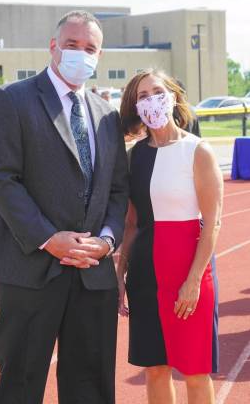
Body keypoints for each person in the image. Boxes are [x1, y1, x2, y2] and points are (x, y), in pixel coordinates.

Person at [0, 10, 129, 404]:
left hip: (93, 274)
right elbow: (1, 178)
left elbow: (117, 189)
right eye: (72, 45)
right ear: (53, 47)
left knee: (91, 387)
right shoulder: (12, 99)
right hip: (31, 270)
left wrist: (107, 241)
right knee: (20, 383)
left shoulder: (107, 115)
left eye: (90, 48)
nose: (82, 53)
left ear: (100, 55)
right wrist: (48, 238)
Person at [117, 68, 223, 404]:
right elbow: (131, 225)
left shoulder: (198, 151)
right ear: (135, 108)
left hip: (190, 270)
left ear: (174, 96)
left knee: (194, 370)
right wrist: (119, 275)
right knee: (156, 368)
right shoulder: (133, 157)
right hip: (146, 273)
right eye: (142, 96)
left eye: (157, 92)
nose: (151, 101)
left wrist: (193, 281)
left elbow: (213, 223)